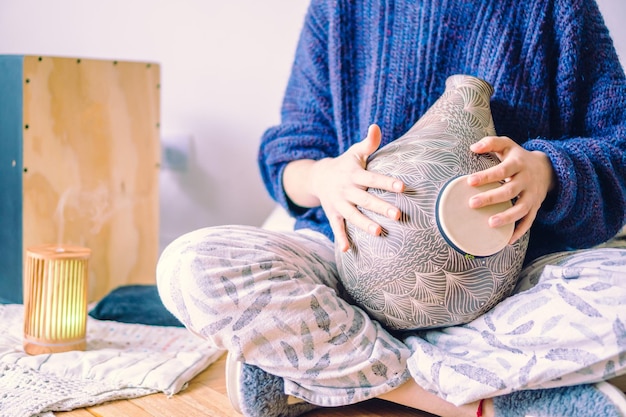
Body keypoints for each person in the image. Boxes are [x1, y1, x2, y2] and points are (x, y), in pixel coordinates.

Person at [156, 0, 626, 416]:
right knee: (188, 267)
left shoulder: (557, 7)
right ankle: (473, 396)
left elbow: (619, 152)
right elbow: (288, 155)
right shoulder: (337, 9)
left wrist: (547, 172)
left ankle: (318, 368)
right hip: (343, 261)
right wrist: (324, 177)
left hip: (508, 282)